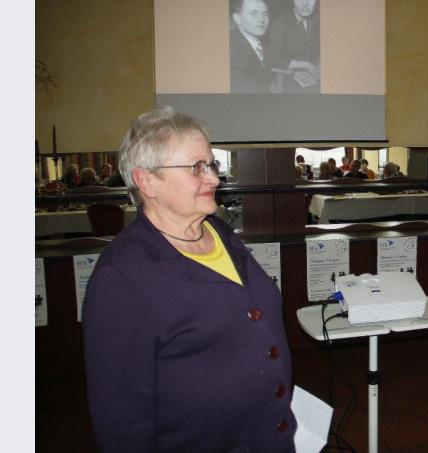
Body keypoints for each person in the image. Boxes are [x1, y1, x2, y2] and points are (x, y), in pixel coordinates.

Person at [82, 106, 296, 451]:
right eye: (196, 167)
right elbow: (120, 416)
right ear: (146, 180)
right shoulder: (121, 278)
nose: (213, 177)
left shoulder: (219, 231)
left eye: (212, 164)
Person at [266, 0, 320, 93]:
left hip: (317, 73)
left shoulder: (319, 18)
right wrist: (305, 65)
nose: (305, 4)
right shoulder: (280, 23)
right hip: (289, 77)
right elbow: (271, 56)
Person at [230, 0, 272, 93]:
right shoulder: (230, 48)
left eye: (265, 14)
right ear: (237, 18)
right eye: (253, 14)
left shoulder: (258, 42)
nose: (261, 20)